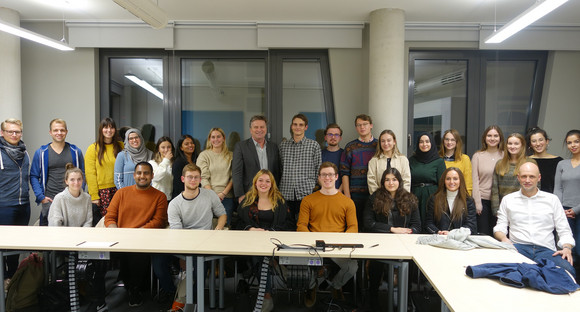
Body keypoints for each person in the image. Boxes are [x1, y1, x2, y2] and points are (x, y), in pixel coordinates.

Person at [494, 161, 575, 277]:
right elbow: (500, 227)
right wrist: (504, 239)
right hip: (518, 248)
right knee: (503, 272)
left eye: (531, 176)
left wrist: (567, 247)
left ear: (539, 178)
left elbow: (564, 230)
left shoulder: (552, 200)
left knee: (568, 271)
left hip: (546, 250)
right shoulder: (508, 200)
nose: (527, 180)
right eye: (524, 176)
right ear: (518, 177)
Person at [104, 162, 168, 307]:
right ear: (134, 175)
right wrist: (116, 233)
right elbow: (110, 217)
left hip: (143, 239)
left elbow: (159, 222)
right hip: (119, 239)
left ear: (152, 176)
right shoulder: (121, 193)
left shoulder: (160, 196)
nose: (142, 176)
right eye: (139, 173)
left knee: (137, 254)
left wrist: (136, 234)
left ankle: (134, 289)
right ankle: (98, 295)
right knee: (96, 256)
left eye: (146, 173)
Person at [163, 163, 226, 310]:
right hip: (184, 244)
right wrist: (181, 257)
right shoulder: (174, 204)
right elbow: (178, 234)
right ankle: (186, 301)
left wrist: (218, 228)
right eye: (190, 177)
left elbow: (222, 214)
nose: (193, 180)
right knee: (167, 264)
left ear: (200, 179)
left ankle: (185, 303)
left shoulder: (209, 195)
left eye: (196, 177)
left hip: (206, 243)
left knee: (198, 266)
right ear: (183, 179)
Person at [297, 162, 358, 306]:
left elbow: (353, 227)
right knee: (300, 263)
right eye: (324, 175)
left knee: (353, 267)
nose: (327, 178)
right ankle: (311, 287)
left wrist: (340, 243)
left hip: (337, 247)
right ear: (319, 178)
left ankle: (336, 286)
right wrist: (313, 241)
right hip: (313, 246)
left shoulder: (347, 202)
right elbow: (301, 226)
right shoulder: (308, 200)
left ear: (336, 177)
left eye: (330, 174)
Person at [363, 168, 420, 311]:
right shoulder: (375, 198)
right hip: (381, 241)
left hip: (404, 242)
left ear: (399, 181)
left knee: (409, 264)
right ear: (383, 182)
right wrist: (392, 229)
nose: (390, 182)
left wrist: (409, 233)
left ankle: (406, 298)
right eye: (387, 179)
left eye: (394, 179)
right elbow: (368, 223)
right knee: (376, 264)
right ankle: (373, 298)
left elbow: (417, 225)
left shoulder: (409, 198)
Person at [238, 169, 294, 312]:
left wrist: (272, 232)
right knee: (259, 257)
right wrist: (250, 229)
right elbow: (237, 222)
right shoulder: (247, 200)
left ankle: (267, 290)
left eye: (267, 181)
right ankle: (267, 295)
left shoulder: (280, 201)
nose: (264, 184)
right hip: (252, 243)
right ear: (255, 183)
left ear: (272, 184)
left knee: (262, 258)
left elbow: (289, 224)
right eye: (260, 180)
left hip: (275, 242)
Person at [30, 118, 85, 226]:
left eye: (62, 130)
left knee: (71, 236)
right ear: (50, 132)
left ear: (66, 132)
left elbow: (82, 174)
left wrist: (78, 193)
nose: (59, 133)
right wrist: (41, 197)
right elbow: (34, 176)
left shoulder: (75, 151)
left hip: (71, 199)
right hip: (50, 200)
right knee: (49, 237)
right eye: (55, 130)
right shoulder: (41, 152)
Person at [0, 118, 31, 282]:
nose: (14, 134)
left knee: (16, 246)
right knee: (3, 246)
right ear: (2, 133)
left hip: (23, 205)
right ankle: (3, 279)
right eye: (10, 131)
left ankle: (11, 279)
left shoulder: (24, 152)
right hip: (4, 206)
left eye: (17, 131)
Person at [279, 114, 321, 220]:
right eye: (295, 124)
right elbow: (279, 168)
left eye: (301, 125)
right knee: (286, 225)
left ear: (306, 127)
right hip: (285, 192)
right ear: (291, 126)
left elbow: (318, 168)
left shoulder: (314, 145)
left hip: (306, 193)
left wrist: (312, 186)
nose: (298, 127)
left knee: (304, 225)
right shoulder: (283, 146)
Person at [232, 115, 281, 203]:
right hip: (249, 194)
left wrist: (276, 192)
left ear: (266, 129)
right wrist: (240, 195)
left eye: (262, 127)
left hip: (270, 194)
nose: (259, 130)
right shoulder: (241, 147)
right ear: (251, 130)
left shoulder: (273, 147)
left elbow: (276, 172)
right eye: (256, 127)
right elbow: (237, 173)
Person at [340, 114, 378, 227]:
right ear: (356, 128)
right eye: (359, 125)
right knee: (355, 226)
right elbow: (344, 172)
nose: (362, 127)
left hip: (374, 195)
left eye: (365, 124)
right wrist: (347, 195)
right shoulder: (350, 147)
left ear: (371, 125)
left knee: (372, 227)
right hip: (355, 196)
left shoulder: (379, 146)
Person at [85, 117, 123, 220]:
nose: (109, 130)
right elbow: (90, 173)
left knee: (119, 220)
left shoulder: (121, 146)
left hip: (119, 189)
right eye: (105, 127)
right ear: (101, 130)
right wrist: (94, 195)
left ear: (115, 130)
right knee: (104, 221)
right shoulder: (93, 148)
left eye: (112, 128)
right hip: (102, 192)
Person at [491, 133, 536, 218]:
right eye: (510, 143)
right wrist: (496, 211)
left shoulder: (530, 163)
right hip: (504, 209)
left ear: (522, 145)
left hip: (524, 209)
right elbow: (494, 189)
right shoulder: (500, 163)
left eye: (516, 143)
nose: (512, 146)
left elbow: (536, 187)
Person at [196, 128, 234, 226]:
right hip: (207, 196)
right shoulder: (204, 155)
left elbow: (233, 177)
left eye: (218, 136)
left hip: (226, 197)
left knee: (224, 227)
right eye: (213, 137)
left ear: (223, 138)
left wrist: (223, 194)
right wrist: (213, 195)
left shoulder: (231, 156)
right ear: (209, 139)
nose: (216, 139)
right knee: (206, 227)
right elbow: (203, 177)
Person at [472, 125, 504, 235]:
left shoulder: (505, 156)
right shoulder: (477, 156)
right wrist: (477, 202)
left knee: (498, 234)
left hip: (501, 202)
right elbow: (474, 181)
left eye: (496, 135)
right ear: (485, 138)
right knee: (484, 234)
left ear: (500, 138)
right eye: (489, 135)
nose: (492, 138)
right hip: (483, 201)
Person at [424, 167, 477, 234]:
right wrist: (438, 232)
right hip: (439, 239)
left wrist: (453, 233)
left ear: (460, 181)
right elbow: (428, 223)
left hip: (460, 241)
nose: (451, 182)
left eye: (455, 179)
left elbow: (471, 225)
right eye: (448, 179)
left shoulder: (468, 201)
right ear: (444, 181)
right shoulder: (434, 199)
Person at [409, 132, 446, 224]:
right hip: (415, 195)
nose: (424, 144)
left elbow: (442, 184)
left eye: (427, 141)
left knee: (430, 222)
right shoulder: (411, 160)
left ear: (432, 143)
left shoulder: (439, 161)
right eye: (421, 142)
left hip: (432, 196)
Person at [554, 129, 580, 261]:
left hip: (577, 210)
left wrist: (575, 210)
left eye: (576, 141)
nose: (573, 145)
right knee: (568, 249)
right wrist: (561, 209)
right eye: (569, 143)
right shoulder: (562, 164)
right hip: (564, 211)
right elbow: (558, 188)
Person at [367, 129, 411, 194]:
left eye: (389, 140)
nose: (386, 143)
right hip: (380, 199)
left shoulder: (403, 159)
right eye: (383, 141)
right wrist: (378, 198)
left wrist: (402, 197)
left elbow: (406, 181)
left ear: (394, 142)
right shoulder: (374, 161)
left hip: (400, 199)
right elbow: (371, 182)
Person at [526, 127, 562, 193]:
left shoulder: (558, 161)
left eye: (541, 140)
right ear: (530, 144)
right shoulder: (526, 161)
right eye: (534, 141)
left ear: (547, 141)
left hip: (551, 199)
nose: (538, 144)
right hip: (529, 198)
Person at [439, 129, 472, 195]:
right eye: (447, 139)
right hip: (441, 196)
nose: (449, 142)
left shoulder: (464, 159)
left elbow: (468, 183)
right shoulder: (437, 158)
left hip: (459, 197)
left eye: (452, 140)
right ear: (443, 141)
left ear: (457, 142)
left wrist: (466, 199)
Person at [171, 134, 196, 199]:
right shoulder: (178, 163)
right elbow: (178, 185)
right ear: (181, 148)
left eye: (192, 143)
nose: (190, 145)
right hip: (182, 198)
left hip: (196, 196)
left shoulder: (197, 160)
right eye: (186, 144)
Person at [321, 123, 344, 189]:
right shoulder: (320, 154)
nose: (333, 137)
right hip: (324, 192)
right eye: (330, 134)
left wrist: (339, 191)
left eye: (336, 135)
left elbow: (347, 176)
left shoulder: (345, 154)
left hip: (340, 193)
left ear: (340, 138)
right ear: (325, 137)